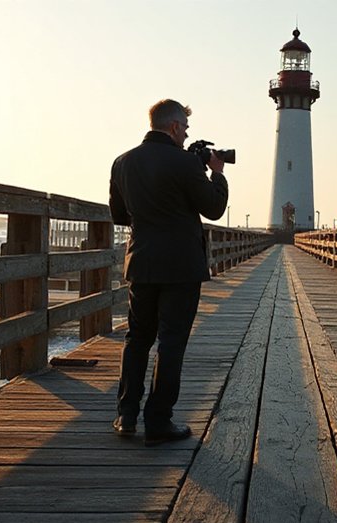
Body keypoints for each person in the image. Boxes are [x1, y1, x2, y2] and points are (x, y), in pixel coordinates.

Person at [108, 99, 228, 446]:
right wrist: (217, 173)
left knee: (137, 338)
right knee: (171, 342)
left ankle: (125, 415)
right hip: (181, 267)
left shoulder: (123, 162)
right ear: (174, 126)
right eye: (185, 128)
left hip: (141, 263)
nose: (186, 134)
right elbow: (214, 208)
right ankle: (158, 420)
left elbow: (119, 215)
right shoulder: (185, 163)